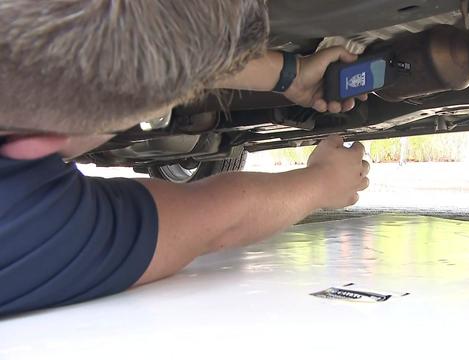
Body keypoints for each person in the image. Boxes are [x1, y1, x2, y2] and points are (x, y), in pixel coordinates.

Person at [0, 0, 369, 316]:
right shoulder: (24, 225)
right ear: (37, 143)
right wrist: (323, 182)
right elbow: (219, 219)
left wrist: (292, 74)